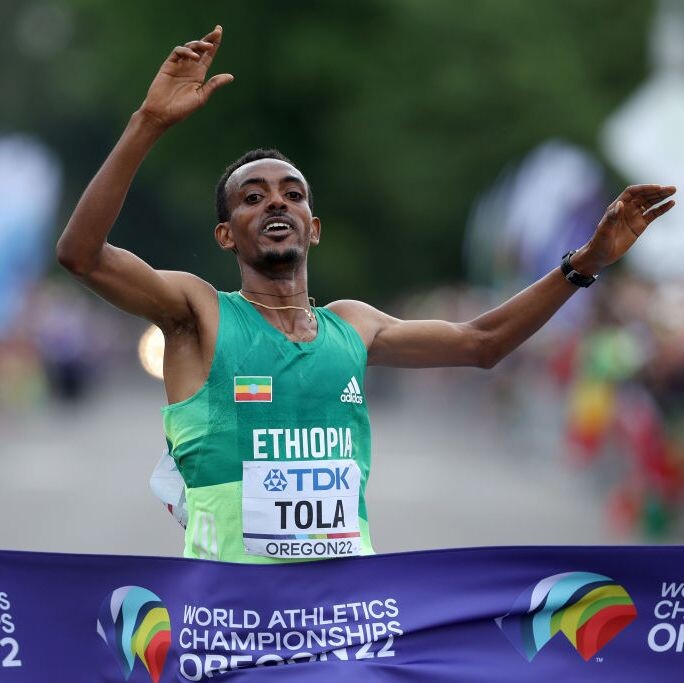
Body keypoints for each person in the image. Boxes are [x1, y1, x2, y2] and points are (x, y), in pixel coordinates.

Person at [56, 26, 676, 564]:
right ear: (225, 235)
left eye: (293, 194)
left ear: (313, 228)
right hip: (231, 623)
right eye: (253, 198)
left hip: (343, 621)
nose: (276, 202)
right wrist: (149, 122)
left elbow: (481, 343)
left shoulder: (352, 326)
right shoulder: (200, 314)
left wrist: (586, 262)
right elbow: (82, 256)